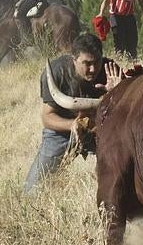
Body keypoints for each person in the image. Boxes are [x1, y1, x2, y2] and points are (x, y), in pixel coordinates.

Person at [24, 33, 118, 194]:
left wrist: (116, 91)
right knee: (33, 190)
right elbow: (47, 117)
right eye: (86, 63)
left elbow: (123, 113)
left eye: (97, 62)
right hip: (62, 131)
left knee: (121, 172)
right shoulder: (56, 72)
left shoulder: (110, 70)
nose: (93, 69)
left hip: (100, 130)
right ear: (74, 59)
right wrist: (72, 125)